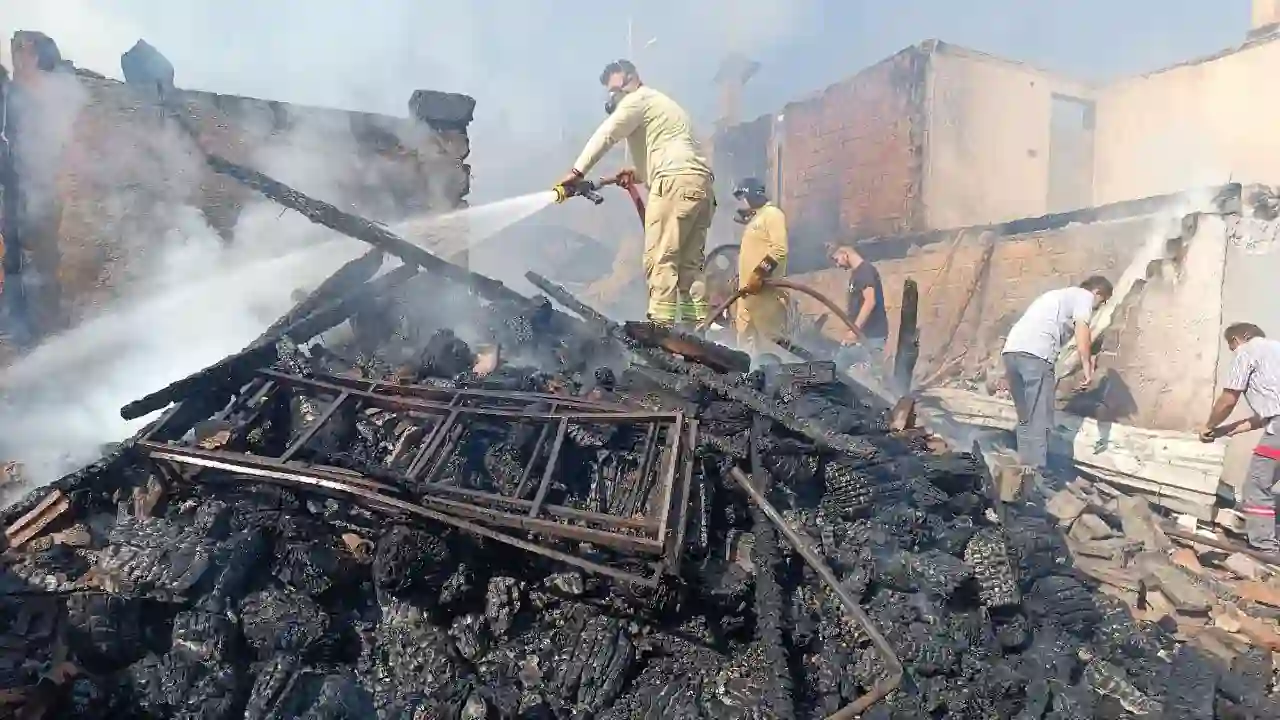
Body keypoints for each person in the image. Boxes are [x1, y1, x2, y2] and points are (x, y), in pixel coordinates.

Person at [557, 59, 715, 328]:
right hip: (698, 186)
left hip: (673, 184)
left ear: (631, 79)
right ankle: (696, 331)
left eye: (614, 88)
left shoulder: (638, 100)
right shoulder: (664, 107)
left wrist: (576, 172)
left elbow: (607, 134)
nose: (611, 96)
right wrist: (636, 174)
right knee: (690, 264)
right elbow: (671, 158)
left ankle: (660, 330)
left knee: (660, 258)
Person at [1001, 276, 1113, 472]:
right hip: (1036, 355)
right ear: (1097, 293)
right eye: (1101, 302)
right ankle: (1035, 471)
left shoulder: (1055, 296)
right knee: (1040, 416)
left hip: (1011, 352)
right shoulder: (1084, 297)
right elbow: (1082, 330)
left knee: (1026, 416)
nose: (1097, 307)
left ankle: (1023, 469)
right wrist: (1087, 367)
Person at [1200, 322, 1280, 553]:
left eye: (1231, 346)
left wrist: (1209, 425)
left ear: (1238, 339)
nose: (1233, 351)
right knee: (1264, 482)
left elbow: (1228, 399)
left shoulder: (1246, 352)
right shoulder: (1276, 350)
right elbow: (1265, 416)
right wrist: (1225, 430)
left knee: (1256, 488)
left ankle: (1265, 548)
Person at [732, 177, 788, 355]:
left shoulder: (772, 214)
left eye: (743, 197)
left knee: (770, 343)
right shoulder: (755, 219)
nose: (743, 202)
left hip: (765, 293)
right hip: (747, 295)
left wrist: (759, 272)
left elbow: (779, 249)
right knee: (745, 347)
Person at [830, 244, 889, 368]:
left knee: (873, 376)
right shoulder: (857, 273)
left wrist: (854, 330)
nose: (837, 265)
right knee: (837, 368)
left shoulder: (865, 271)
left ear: (845, 254)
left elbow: (870, 301)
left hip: (871, 337)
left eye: (837, 260)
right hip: (861, 337)